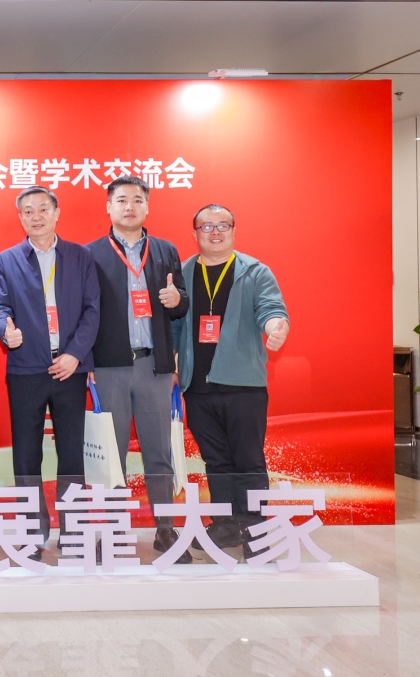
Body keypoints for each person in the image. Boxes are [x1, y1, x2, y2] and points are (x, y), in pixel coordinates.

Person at [173, 204, 289, 557]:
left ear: (234, 231)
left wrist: (276, 327)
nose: (215, 232)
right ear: (194, 234)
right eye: (206, 226)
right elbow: (173, 323)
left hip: (243, 386)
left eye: (223, 225)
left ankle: (255, 529)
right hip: (197, 387)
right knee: (216, 462)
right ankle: (225, 524)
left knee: (248, 460)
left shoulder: (255, 271)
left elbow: (271, 308)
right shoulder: (183, 273)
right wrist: (173, 362)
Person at [85, 175, 190, 562]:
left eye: (137, 200)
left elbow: (182, 307)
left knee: (158, 451)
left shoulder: (165, 250)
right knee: (113, 455)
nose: (129, 206)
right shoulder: (90, 253)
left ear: (147, 206)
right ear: (108, 207)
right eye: (122, 200)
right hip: (110, 367)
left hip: (154, 367)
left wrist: (178, 299)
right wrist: (88, 360)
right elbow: (83, 312)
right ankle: (114, 531)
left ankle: (165, 529)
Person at [0, 186, 99, 556]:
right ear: (20, 217)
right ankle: (31, 531)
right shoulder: (6, 260)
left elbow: (92, 310)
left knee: (71, 453)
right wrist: (5, 328)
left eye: (42, 209)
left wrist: (74, 355)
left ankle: (74, 530)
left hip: (70, 369)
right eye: (28, 211)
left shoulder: (81, 256)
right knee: (26, 454)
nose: (35, 216)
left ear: (56, 213)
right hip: (26, 368)